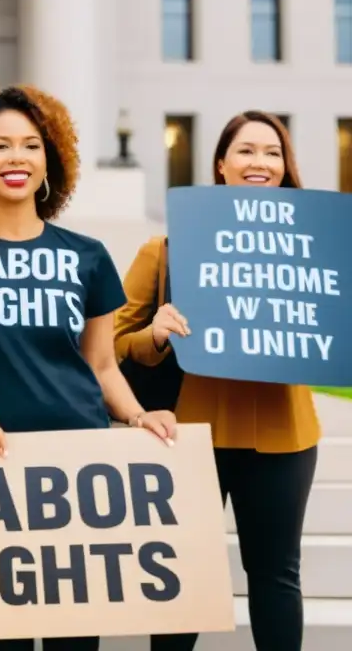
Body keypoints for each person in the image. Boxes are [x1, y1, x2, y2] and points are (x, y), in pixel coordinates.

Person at [0, 86, 177, 651]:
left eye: (30, 145)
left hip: (75, 470)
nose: (16, 158)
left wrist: (137, 414)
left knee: (75, 641)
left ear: (49, 161)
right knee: (3, 641)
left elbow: (102, 364)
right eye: (0, 146)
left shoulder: (88, 255)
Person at [115, 111, 320, 651]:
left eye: (273, 152)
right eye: (247, 151)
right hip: (188, 436)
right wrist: (153, 337)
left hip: (284, 435)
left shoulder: (315, 249)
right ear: (221, 165)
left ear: (285, 167)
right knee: (183, 579)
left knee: (277, 577)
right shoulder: (163, 251)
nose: (261, 162)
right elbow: (109, 341)